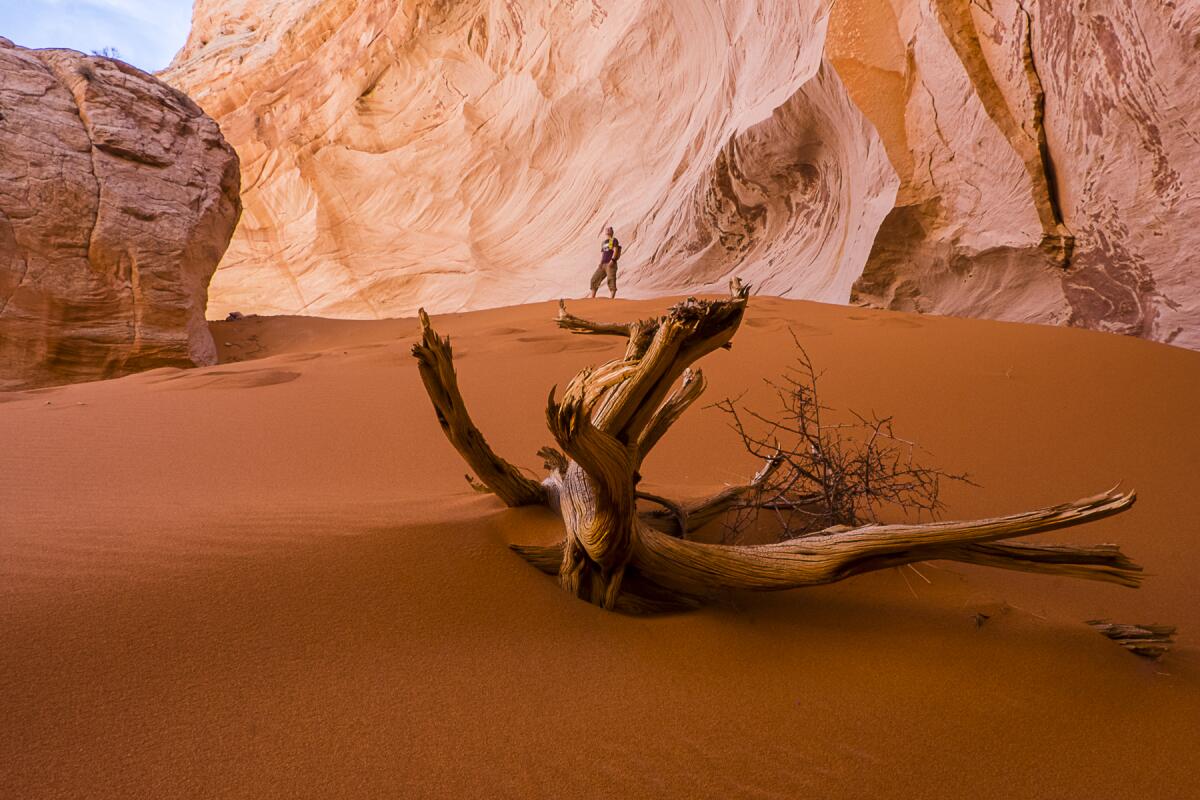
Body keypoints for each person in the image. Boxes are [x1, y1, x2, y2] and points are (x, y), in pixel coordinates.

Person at [589, 226, 621, 298]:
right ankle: (592, 298)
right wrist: (600, 263)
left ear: (612, 232)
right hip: (603, 264)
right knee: (594, 279)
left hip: (610, 264)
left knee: (611, 280)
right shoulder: (604, 242)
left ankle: (611, 299)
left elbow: (615, 250)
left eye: (609, 229)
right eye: (606, 229)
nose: (607, 230)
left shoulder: (613, 240)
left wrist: (612, 261)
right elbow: (603, 253)